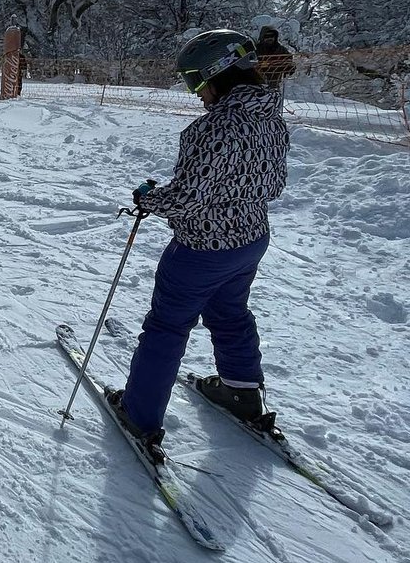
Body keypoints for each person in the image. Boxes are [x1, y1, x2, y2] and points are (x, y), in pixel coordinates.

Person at [105, 30, 290, 455]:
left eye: (195, 81)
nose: (197, 93)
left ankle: (139, 413)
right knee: (230, 314)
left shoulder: (212, 128)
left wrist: (150, 199)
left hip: (202, 248)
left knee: (168, 326)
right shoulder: (272, 120)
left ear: (216, 74)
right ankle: (241, 391)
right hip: (251, 240)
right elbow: (274, 185)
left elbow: (188, 198)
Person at [256, 26, 296, 93]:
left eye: (272, 36)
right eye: (267, 36)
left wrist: (289, 67)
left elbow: (289, 61)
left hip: (274, 84)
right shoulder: (256, 49)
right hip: (257, 85)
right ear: (262, 37)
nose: (270, 38)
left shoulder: (281, 49)